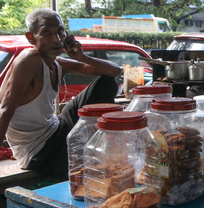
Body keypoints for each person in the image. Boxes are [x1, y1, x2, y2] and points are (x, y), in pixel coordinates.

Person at [0, 9, 121, 181]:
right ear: (30, 37)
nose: (56, 39)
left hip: (56, 130)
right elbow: (5, 111)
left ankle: (93, 144)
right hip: (38, 151)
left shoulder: (58, 64)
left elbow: (115, 71)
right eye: (47, 33)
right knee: (90, 172)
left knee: (106, 83)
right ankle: (92, 147)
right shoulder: (29, 59)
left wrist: (82, 56)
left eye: (60, 32)